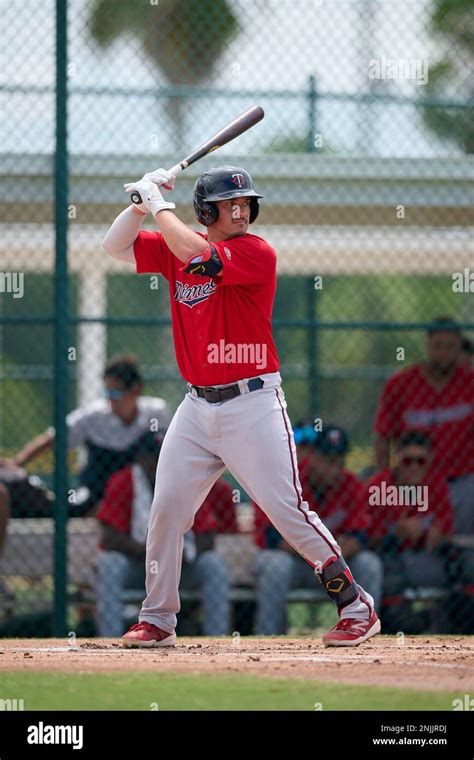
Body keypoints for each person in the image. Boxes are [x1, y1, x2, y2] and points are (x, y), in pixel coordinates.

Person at [102, 164, 380, 648]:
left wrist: (157, 205)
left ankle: (357, 604)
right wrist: (138, 203)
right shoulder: (176, 242)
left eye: (246, 202)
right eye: (231, 204)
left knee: (286, 510)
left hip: (252, 402)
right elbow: (116, 246)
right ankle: (158, 619)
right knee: (166, 508)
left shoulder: (255, 251)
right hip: (196, 407)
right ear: (206, 210)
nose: (241, 210)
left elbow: (198, 253)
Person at [95, 433, 234, 636]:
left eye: (164, 455)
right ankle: (110, 640)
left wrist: (182, 552)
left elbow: (207, 536)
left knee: (213, 564)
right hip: (137, 567)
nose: (160, 462)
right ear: (141, 458)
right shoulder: (124, 481)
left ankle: (217, 638)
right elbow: (109, 538)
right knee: (108, 564)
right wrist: (155, 551)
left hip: (180, 568)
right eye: (154, 457)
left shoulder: (186, 481)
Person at [0, 354, 171, 518]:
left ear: (135, 390)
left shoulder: (157, 413)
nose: (110, 401)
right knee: (71, 508)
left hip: (143, 491)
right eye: (107, 394)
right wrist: (18, 462)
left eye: (116, 394)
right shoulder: (94, 416)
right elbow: (54, 438)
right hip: (98, 489)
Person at [252, 426, 383, 634]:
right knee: (275, 565)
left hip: (335, 567)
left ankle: (363, 627)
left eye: (340, 460)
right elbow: (274, 539)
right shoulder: (289, 480)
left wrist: (328, 558)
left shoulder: (350, 485)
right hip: (296, 565)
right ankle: (269, 636)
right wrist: (324, 551)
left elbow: (358, 538)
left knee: (368, 563)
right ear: (312, 456)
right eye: (328, 460)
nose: (335, 467)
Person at [373, 317, 474, 535]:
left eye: (450, 347)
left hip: (463, 480)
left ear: (459, 347)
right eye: (438, 346)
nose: (444, 353)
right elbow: (383, 435)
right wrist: (385, 482)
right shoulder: (401, 384)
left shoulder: (469, 383)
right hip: (416, 482)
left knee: (463, 545)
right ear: (428, 345)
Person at [363, 431, 454, 632]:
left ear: (429, 460)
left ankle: (444, 623)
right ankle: (400, 625)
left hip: (424, 559)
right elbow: (365, 540)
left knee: (461, 567)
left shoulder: (436, 486)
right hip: (389, 560)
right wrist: (395, 533)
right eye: (407, 461)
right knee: (387, 569)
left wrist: (436, 533)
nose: (414, 467)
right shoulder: (377, 487)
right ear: (397, 459)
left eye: (420, 461)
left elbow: (446, 530)